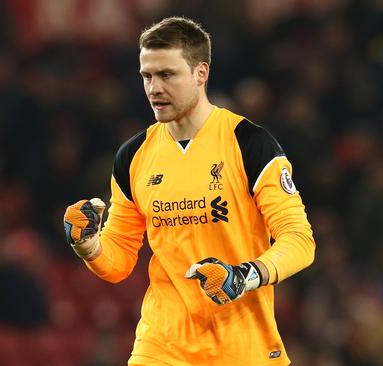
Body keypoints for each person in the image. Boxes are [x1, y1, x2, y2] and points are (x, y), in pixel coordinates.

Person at [63, 16, 315, 366]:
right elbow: (118, 261)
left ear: (201, 73)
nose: (154, 88)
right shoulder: (133, 156)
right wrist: (88, 244)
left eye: (167, 75)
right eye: (147, 76)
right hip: (162, 346)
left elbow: (300, 240)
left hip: (243, 348)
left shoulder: (249, 143)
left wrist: (244, 275)